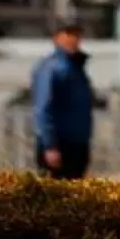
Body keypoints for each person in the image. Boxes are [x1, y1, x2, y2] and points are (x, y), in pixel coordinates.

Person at [28, 21, 94, 180]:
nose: (74, 39)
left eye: (76, 35)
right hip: (59, 145)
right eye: (68, 35)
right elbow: (44, 108)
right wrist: (50, 145)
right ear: (57, 38)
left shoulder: (76, 68)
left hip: (77, 144)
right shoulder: (52, 68)